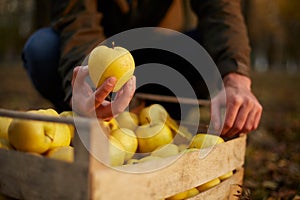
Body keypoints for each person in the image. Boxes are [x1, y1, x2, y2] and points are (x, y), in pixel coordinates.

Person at [22, 0, 262, 137]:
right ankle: (90, 117)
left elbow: (220, 10)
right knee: (42, 49)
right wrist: (87, 80)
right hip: (104, 52)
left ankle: (168, 113)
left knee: (208, 51)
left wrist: (236, 77)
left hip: (164, 52)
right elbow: (78, 23)